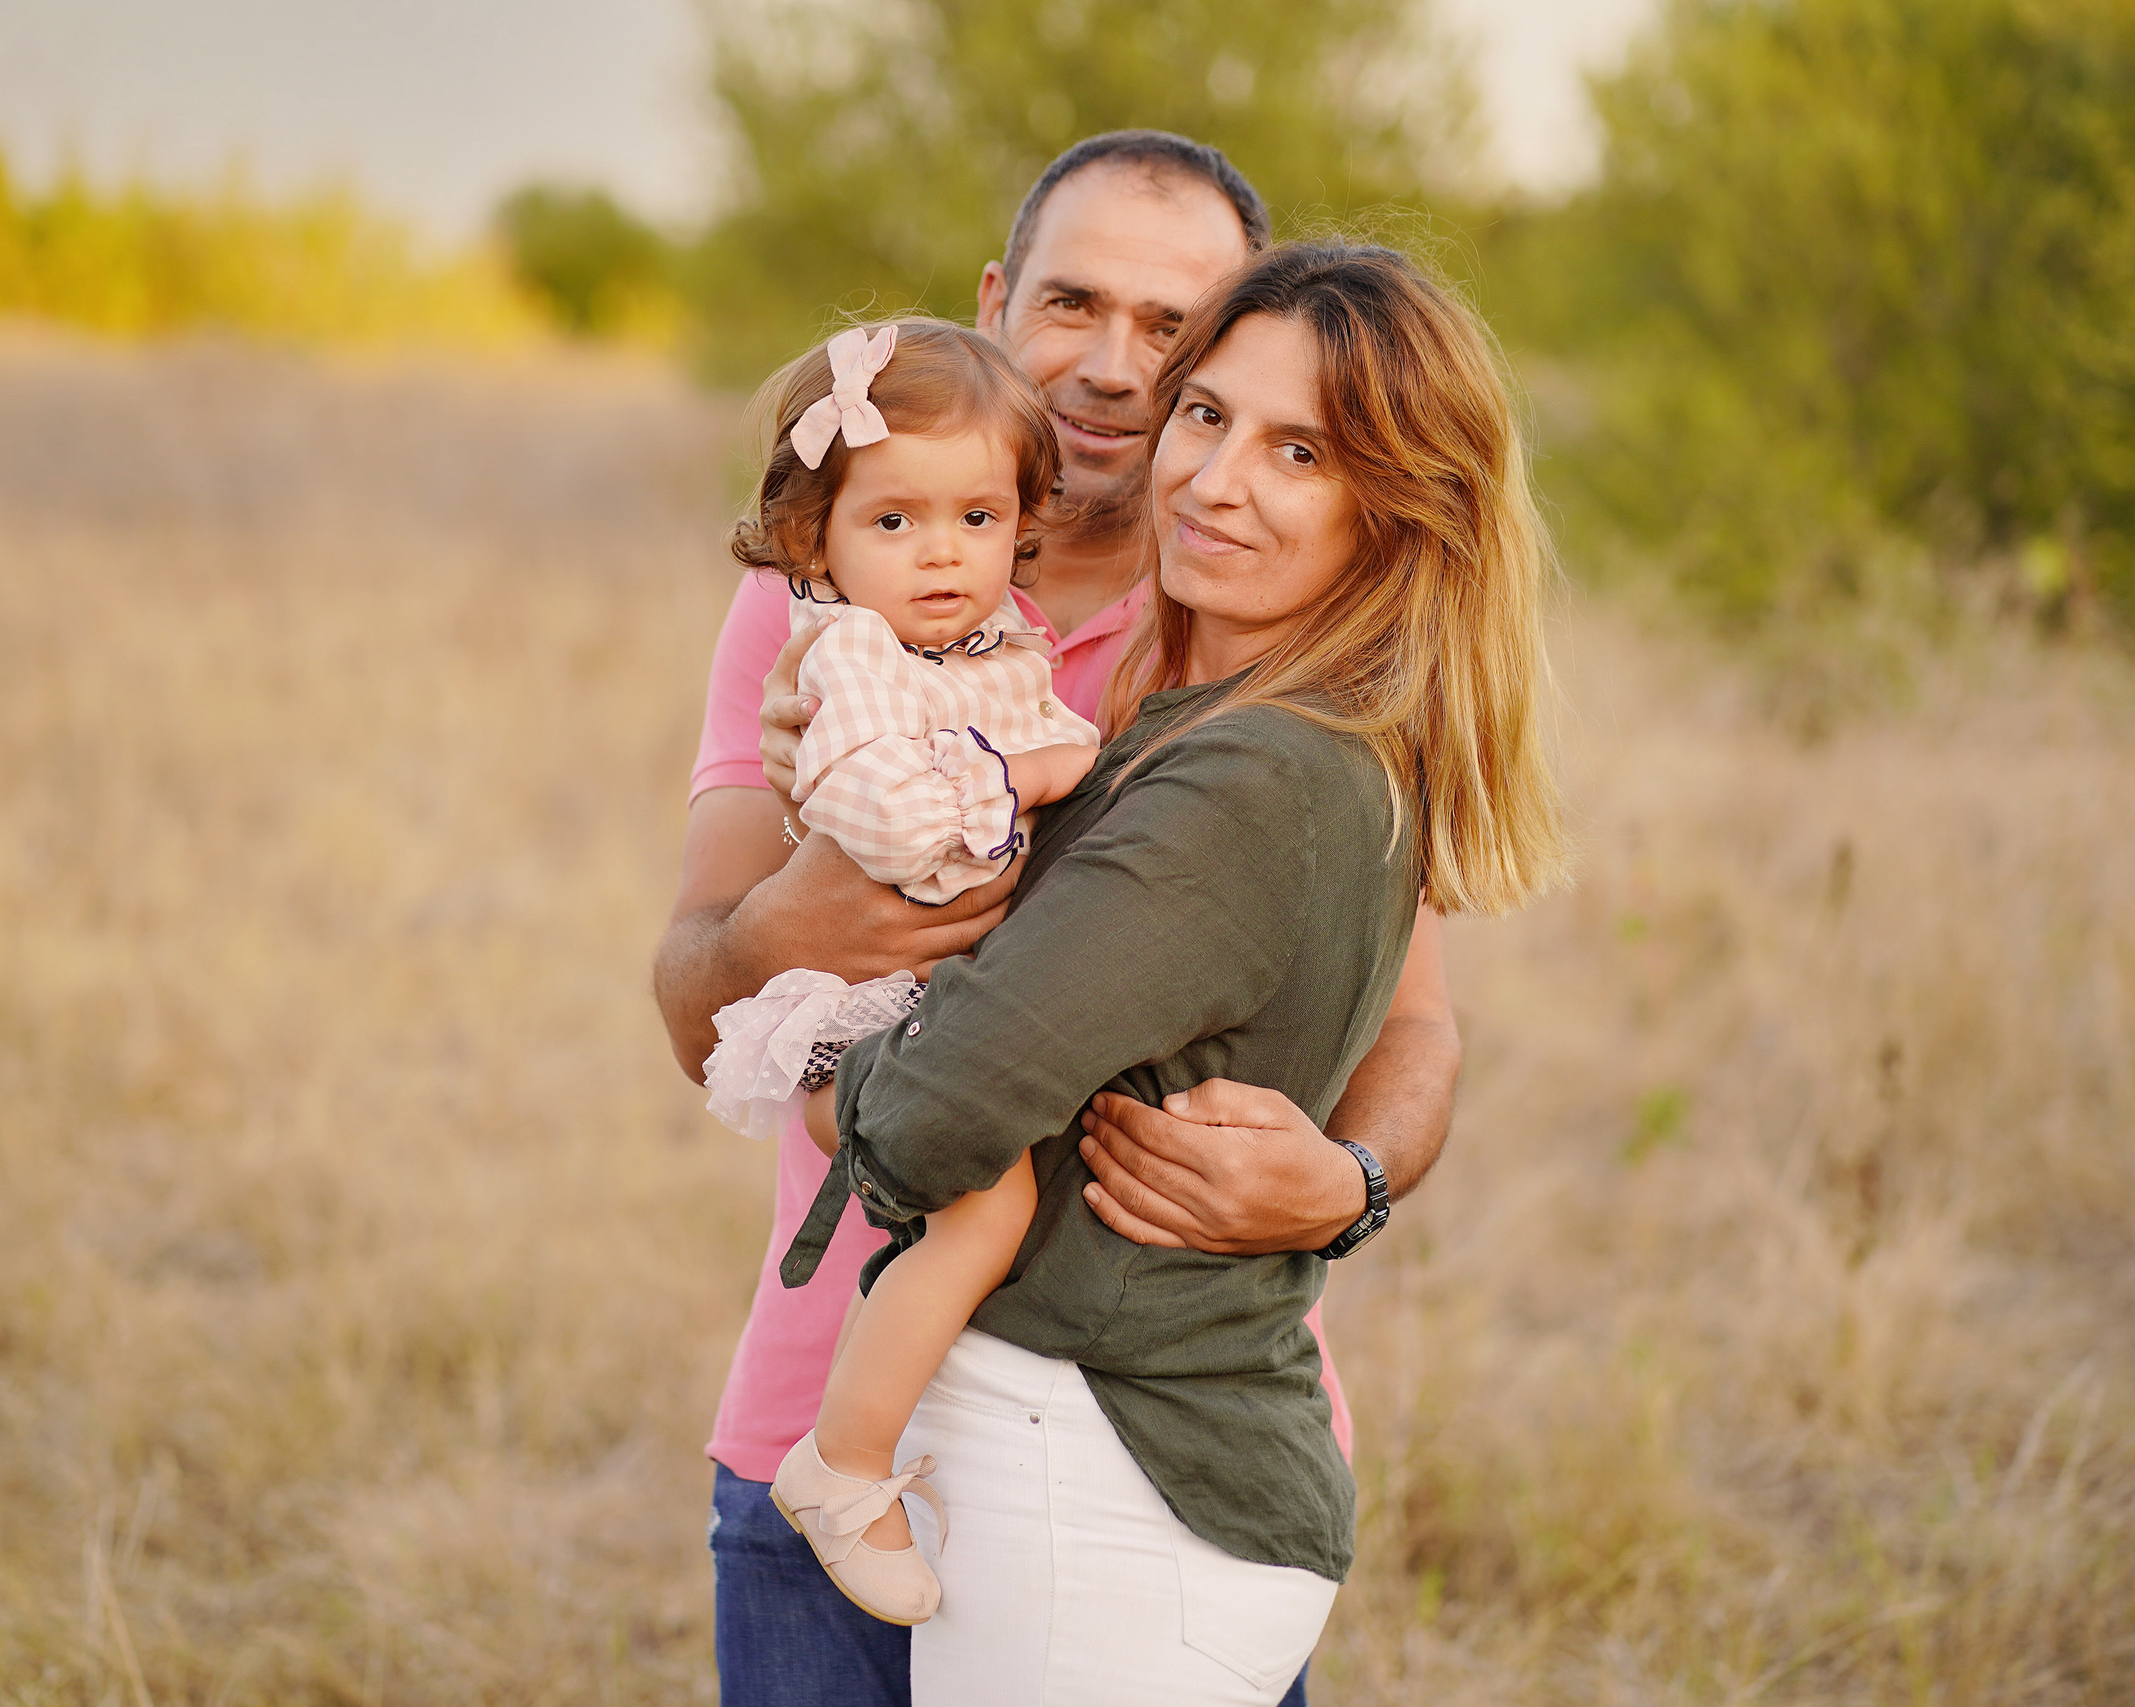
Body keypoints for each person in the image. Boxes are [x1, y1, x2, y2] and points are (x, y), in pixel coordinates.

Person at [652, 132, 1463, 1707]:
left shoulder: (1263, 616)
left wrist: (1347, 1179)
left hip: (1142, 1438)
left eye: (1175, 331)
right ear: (993, 303)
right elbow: (697, 1002)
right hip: (834, 1395)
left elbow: (1415, 1021)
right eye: (1072, 303)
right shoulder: (828, 594)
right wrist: (791, 926)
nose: (1111, 367)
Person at [799, 240, 1568, 1705]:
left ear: (1396, 513)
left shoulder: (1256, 777)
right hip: (1105, 1467)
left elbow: (928, 1118)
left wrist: (824, 1069)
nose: (1216, 481)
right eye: (1206, 416)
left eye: (1302, 452)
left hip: (1105, 1482)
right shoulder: (1235, 725)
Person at [697, 316, 1102, 1626]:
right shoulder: (850, 656)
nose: (942, 552)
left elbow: (1062, 745)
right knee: (982, 1206)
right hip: (872, 1009)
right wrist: (1021, 783)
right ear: (816, 542)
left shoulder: (992, 645)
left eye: (979, 517)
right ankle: (845, 1461)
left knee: (1001, 1202)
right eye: (896, 523)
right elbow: (902, 829)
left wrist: (1041, 764)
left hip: (956, 1004)